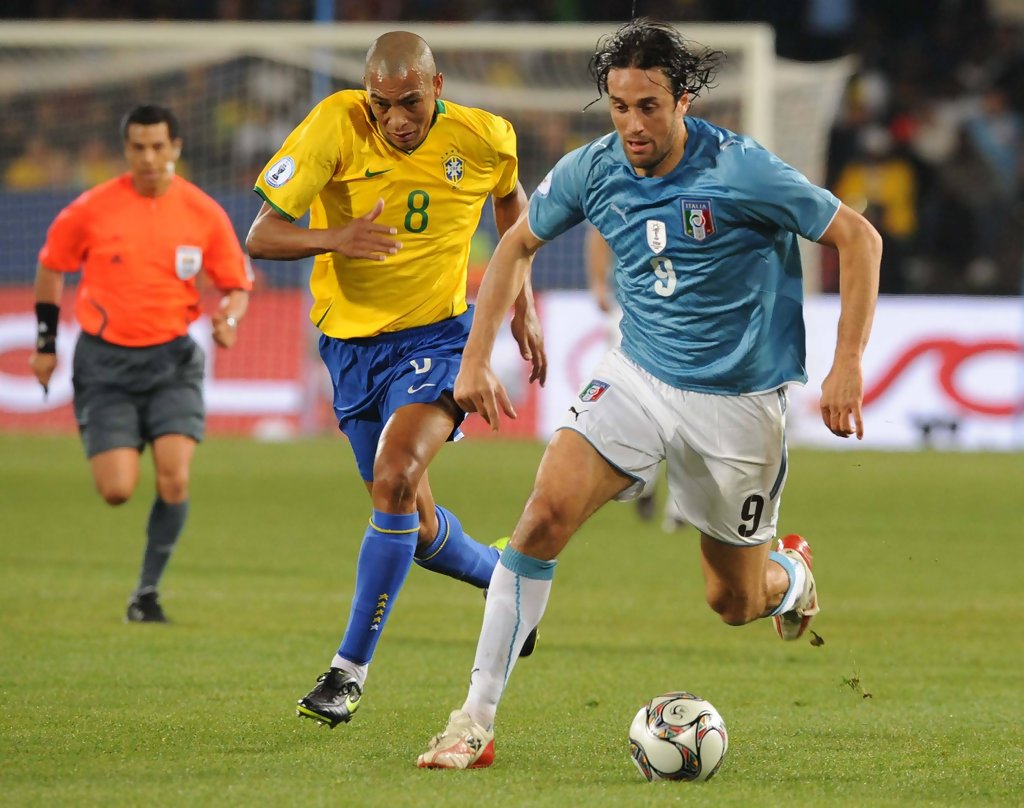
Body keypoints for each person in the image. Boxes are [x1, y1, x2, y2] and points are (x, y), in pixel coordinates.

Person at [417, 18, 881, 769]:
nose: (633, 123)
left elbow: (860, 238)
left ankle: (789, 574)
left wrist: (847, 362)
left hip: (738, 402)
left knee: (732, 602)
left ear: (684, 100)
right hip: (637, 377)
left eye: (649, 107)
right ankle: (473, 721)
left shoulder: (742, 170)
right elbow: (515, 246)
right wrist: (476, 359)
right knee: (541, 517)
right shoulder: (593, 168)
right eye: (621, 105)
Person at [245, 31, 545, 729]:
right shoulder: (335, 125)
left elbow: (512, 205)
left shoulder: (486, 138)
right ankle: (505, 578)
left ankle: (347, 673)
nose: (396, 119)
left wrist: (523, 307)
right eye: (382, 105)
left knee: (395, 479)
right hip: (349, 349)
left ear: (437, 88)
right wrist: (334, 238)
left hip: (440, 339)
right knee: (415, 523)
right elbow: (260, 235)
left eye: (410, 102)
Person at [29, 104, 252, 623]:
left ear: (176, 147)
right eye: (138, 147)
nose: (149, 157)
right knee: (116, 490)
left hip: (172, 361)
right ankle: (141, 576)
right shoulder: (92, 209)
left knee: (174, 480)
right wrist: (44, 343)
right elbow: (50, 268)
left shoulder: (203, 212)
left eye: (158, 146)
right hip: (104, 365)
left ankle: (146, 593)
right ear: (126, 150)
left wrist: (229, 318)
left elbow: (237, 283)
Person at [584, 223, 686, 531]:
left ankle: (679, 504)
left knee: (683, 408)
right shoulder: (633, 192)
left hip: (684, 321)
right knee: (637, 406)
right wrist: (598, 285)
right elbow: (599, 233)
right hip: (630, 316)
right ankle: (647, 479)